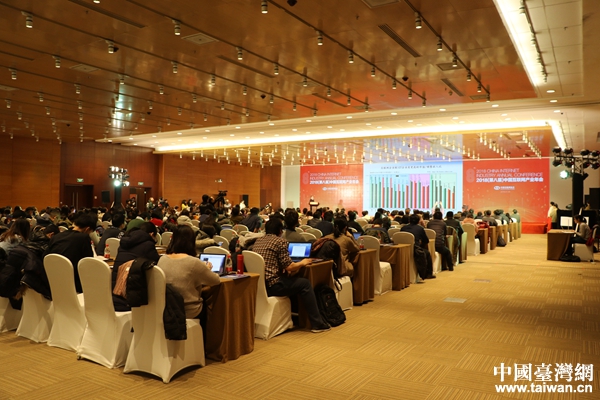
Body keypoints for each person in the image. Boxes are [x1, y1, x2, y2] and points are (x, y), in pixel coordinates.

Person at [252, 219, 331, 333]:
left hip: (260, 285)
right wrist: (302, 262)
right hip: (273, 285)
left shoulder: (258, 241)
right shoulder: (280, 241)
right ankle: (317, 324)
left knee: (292, 280)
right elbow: (289, 266)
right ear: (280, 231)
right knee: (305, 284)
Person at [158, 225, 221, 320]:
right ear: (192, 241)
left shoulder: (162, 259)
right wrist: (207, 268)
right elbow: (216, 280)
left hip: (166, 309)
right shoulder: (194, 262)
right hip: (189, 311)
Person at [112, 222, 161, 311]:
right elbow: (158, 266)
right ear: (151, 234)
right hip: (130, 298)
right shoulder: (148, 245)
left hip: (114, 292)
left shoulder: (124, 242)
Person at [44, 213, 97, 293]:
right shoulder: (84, 238)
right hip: (74, 284)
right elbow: (88, 262)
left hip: (52, 281)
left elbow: (46, 257)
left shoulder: (57, 236)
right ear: (87, 229)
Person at [400, 214, 434, 279]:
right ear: (418, 221)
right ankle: (429, 274)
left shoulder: (403, 228)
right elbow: (426, 240)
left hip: (403, 250)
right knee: (427, 253)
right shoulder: (420, 228)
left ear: (409, 220)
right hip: (415, 250)